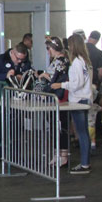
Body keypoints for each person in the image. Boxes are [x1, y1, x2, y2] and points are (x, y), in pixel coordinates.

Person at [53, 34, 94, 174]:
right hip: (85, 97)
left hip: (78, 99)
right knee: (84, 133)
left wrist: (61, 85)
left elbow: (77, 83)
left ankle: (85, 164)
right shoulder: (85, 61)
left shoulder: (77, 61)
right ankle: (85, 162)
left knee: (81, 132)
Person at [39, 37, 70, 166]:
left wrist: (45, 75)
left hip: (58, 96)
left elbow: (56, 78)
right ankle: (57, 153)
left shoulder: (61, 61)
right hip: (52, 96)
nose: (47, 51)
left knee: (60, 126)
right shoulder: (57, 61)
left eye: (48, 48)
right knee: (54, 126)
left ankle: (63, 154)